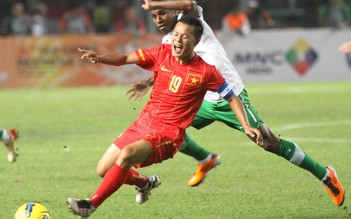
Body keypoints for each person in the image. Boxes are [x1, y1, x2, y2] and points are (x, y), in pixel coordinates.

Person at [127, 0, 345, 207]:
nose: (158, 19)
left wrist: (156, 3)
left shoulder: (193, 22)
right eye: (154, 16)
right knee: (169, 129)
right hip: (200, 100)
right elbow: (172, 68)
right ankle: (205, 158)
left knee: (269, 142)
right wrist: (147, 82)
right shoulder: (169, 41)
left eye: (162, 13)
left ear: (174, 11)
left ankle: (325, 175)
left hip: (229, 97)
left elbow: (189, 3)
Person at [66, 14, 262, 218]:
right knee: (103, 170)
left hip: (167, 133)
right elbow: (126, 58)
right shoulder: (162, 53)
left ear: (195, 41)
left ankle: (90, 204)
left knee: (127, 154)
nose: (178, 39)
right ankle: (145, 183)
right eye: (176, 34)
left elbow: (231, 97)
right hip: (143, 123)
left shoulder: (206, 72)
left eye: (185, 36)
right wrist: (100, 58)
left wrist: (246, 126)